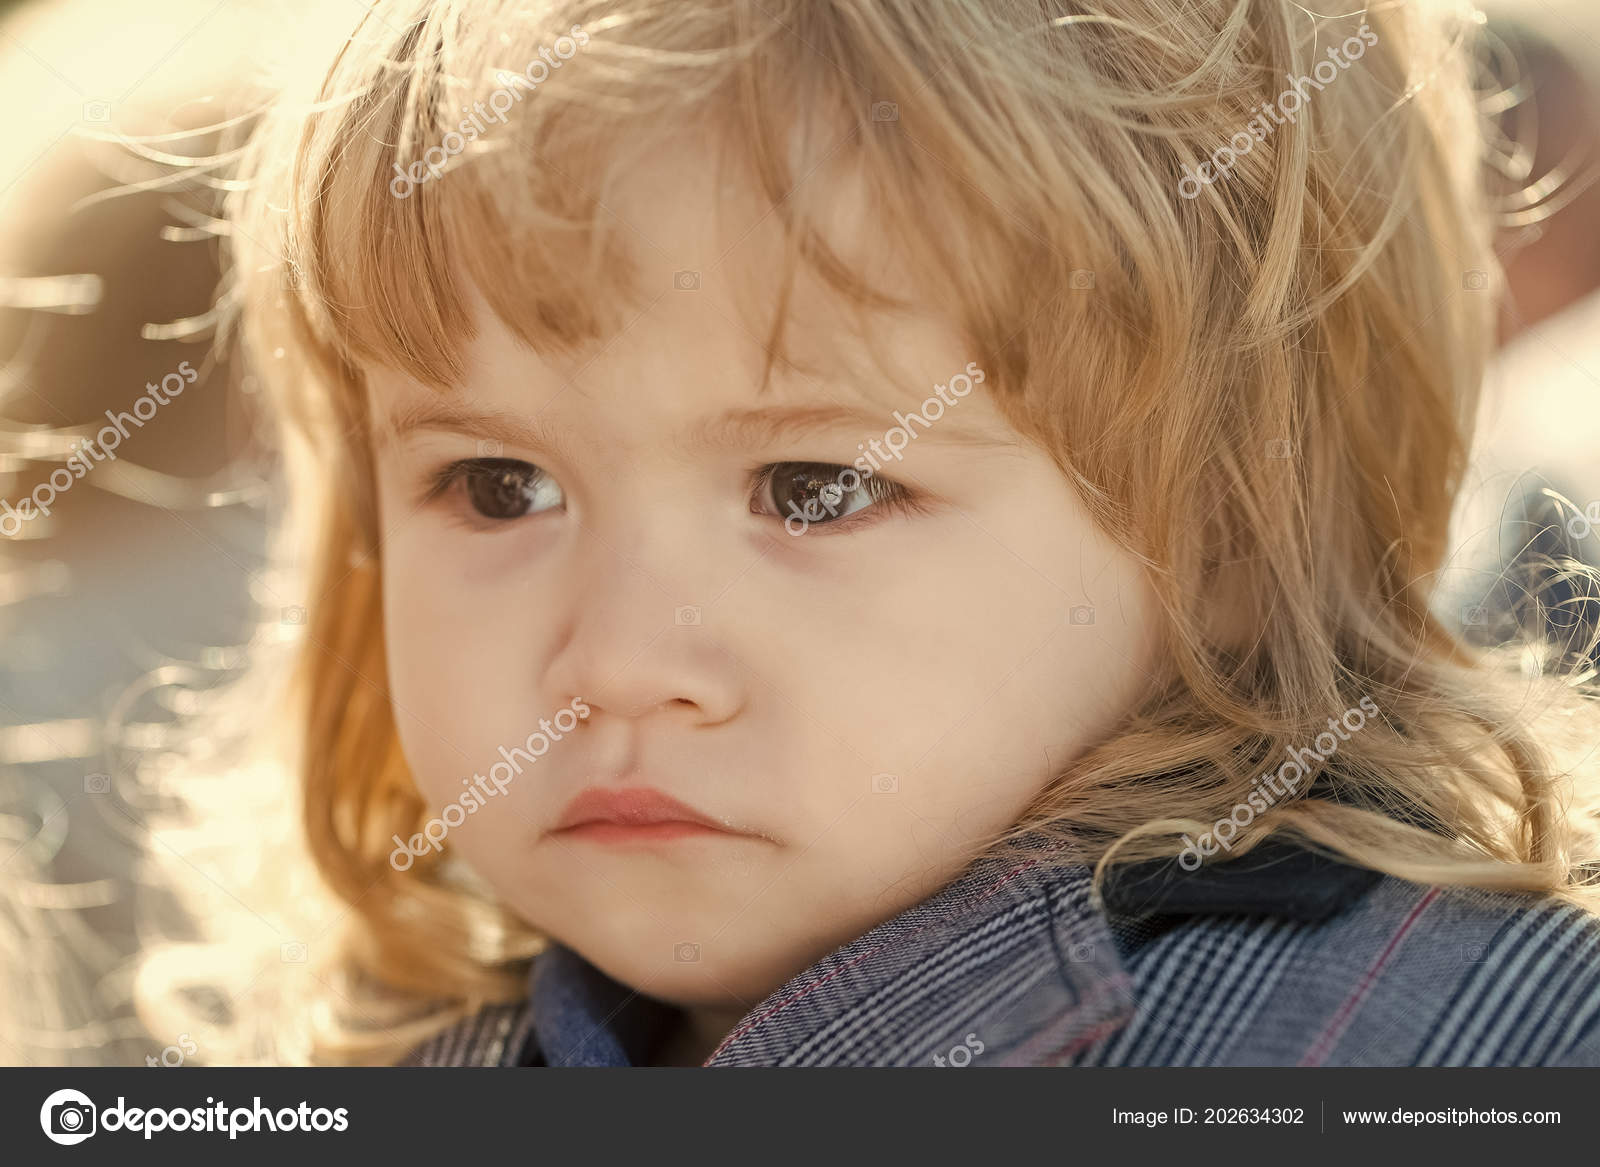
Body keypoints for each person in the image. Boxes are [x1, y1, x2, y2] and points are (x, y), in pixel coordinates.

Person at [138, 0, 1600, 1067]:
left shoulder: (1460, 1043)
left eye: (815, 490)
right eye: (498, 486)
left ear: (1226, 537)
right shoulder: (381, 1056)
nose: (621, 666)